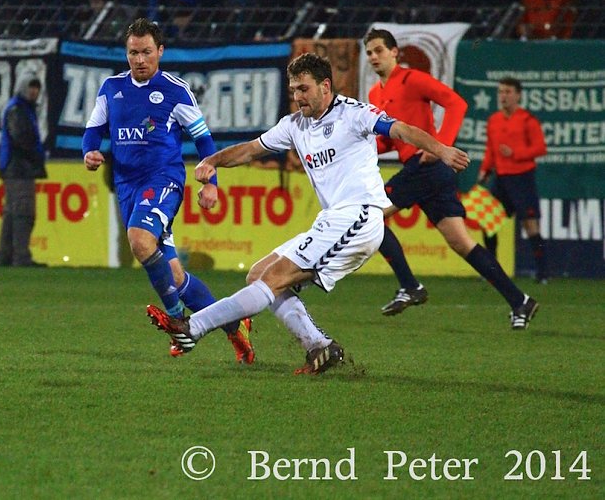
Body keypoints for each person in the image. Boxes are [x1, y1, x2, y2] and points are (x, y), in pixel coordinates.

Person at [146, 52, 471, 374]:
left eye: (304, 89)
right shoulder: (294, 125)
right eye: (294, 90)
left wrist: (440, 148)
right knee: (259, 274)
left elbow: (400, 130)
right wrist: (213, 161)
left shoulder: (354, 113)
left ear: (325, 86)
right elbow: (250, 149)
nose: (297, 96)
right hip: (333, 220)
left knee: (273, 279)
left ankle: (192, 327)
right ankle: (319, 347)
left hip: (360, 217)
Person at [82, 18, 254, 363]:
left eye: (147, 52)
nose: (140, 59)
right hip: (128, 185)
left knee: (139, 240)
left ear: (160, 51)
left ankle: (178, 321)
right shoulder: (111, 88)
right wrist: (89, 151)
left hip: (164, 181)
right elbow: (93, 129)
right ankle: (237, 327)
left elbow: (204, 139)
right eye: (133, 53)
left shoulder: (175, 91)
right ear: (126, 53)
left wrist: (211, 184)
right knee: (174, 275)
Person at [363, 28, 540, 330]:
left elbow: (456, 103)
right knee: (462, 242)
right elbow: (391, 141)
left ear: (395, 52)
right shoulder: (375, 94)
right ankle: (520, 300)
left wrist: (442, 147)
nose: (374, 57)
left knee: (368, 218)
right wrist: (367, 148)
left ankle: (409, 286)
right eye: (369, 53)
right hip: (426, 169)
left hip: (427, 165)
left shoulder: (412, 79)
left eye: (379, 50)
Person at [477, 77, 548, 283]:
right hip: (501, 178)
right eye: (500, 92)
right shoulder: (494, 120)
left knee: (530, 226)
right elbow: (491, 149)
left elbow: (540, 148)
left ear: (518, 95)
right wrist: (484, 170)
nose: (503, 96)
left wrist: (515, 152)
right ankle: (491, 270)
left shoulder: (528, 120)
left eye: (508, 92)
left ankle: (542, 273)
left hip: (522, 178)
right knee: (488, 222)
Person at [0, 74, 47, 268]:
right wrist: (36, 154)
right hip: (19, 168)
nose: (34, 91)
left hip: (14, 168)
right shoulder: (18, 110)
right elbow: (21, 138)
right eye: (31, 87)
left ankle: (5, 256)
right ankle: (21, 257)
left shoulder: (19, 107)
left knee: (12, 214)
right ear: (23, 88)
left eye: (36, 88)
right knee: (24, 213)